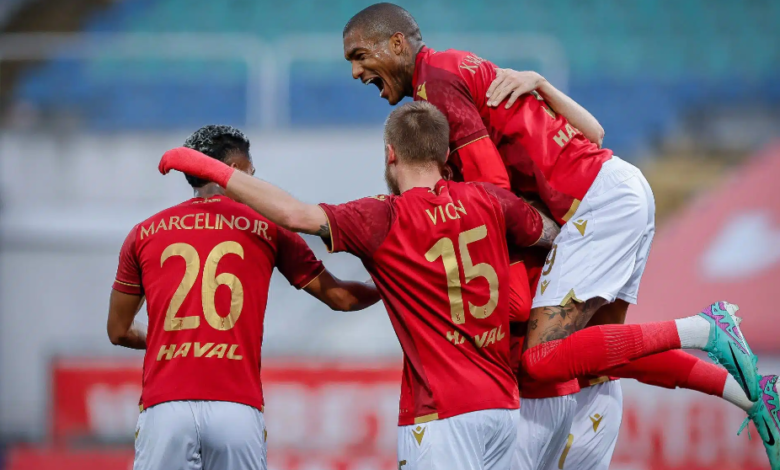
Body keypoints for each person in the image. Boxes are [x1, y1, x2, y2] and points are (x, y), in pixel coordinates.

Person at [339, 4, 779, 469]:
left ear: (397, 44)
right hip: (617, 185)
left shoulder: (438, 86)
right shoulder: (464, 70)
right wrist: (544, 85)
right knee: (602, 345)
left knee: (542, 358)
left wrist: (500, 251)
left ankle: (704, 329)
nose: (354, 72)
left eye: (360, 56)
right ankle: (751, 395)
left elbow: (494, 188)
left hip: (593, 211)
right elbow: (595, 133)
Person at [160, 101, 561, 470]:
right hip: (503, 408)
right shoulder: (490, 199)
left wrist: (212, 169)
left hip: (442, 413)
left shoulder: (384, 217)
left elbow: (295, 215)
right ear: (444, 154)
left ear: (391, 153)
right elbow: (553, 234)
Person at [107, 125, 380, 470]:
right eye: (251, 175)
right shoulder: (268, 227)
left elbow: (118, 330)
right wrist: (390, 282)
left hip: (164, 408)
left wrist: (176, 339)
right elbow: (342, 297)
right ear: (234, 171)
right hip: (236, 407)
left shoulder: (144, 233)